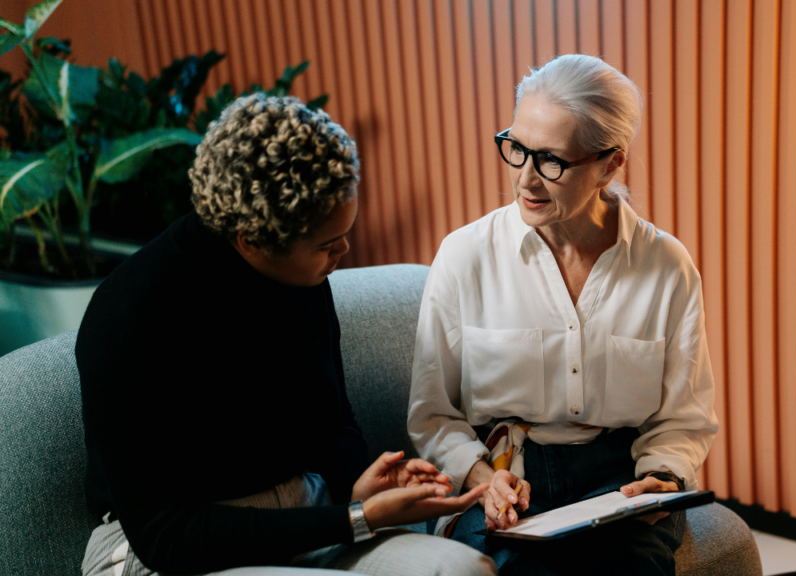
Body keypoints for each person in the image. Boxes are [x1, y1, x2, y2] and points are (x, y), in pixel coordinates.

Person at [77, 94, 495, 576]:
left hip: (306, 513)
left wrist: (359, 486)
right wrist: (354, 519)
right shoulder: (130, 317)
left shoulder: (301, 279)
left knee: (463, 570)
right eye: (325, 244)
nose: (345, 249)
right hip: (174, 549)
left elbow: (332, 419)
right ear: (251, 242)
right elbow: (166, 535)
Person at [406, 54, 719, 575]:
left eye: (551, 160)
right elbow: (433, 414)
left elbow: (682, 417)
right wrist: (483, 476)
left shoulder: (666, 266)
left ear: (610, 163)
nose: (526, 179)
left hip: (617, 477)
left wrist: (663, 475)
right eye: (517, 149)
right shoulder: (465, 256)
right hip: (507, 472)